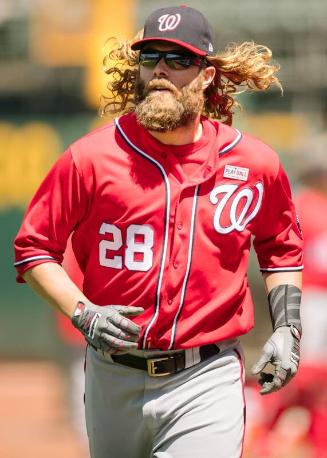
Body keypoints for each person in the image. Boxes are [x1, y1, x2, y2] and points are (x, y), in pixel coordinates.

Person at [14, 5, 303, 458]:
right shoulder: (90, 157)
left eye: (178, 58)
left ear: (206, 75)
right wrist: (83, 310)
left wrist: (288, 327)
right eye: (150, 57)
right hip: (113, 374)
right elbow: (33, 250)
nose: (162, 69)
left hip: (205, 375)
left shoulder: (253, 163)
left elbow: (281, 249)